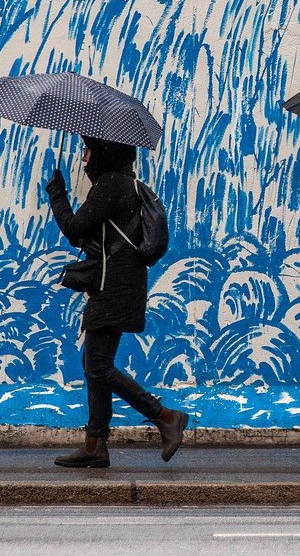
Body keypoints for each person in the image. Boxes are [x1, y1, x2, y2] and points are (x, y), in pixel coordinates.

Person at [46, 136, 188, 468]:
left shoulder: (110, 185)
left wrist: (57, 194)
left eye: (88, 151)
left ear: (106, 153)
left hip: (114, 287)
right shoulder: (123, 185)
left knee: (97, 366)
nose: (84, 159)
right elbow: (94, 233)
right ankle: (94, 445)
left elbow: (73, 226)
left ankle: (165, 417)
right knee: (94, 364)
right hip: (120, 283)